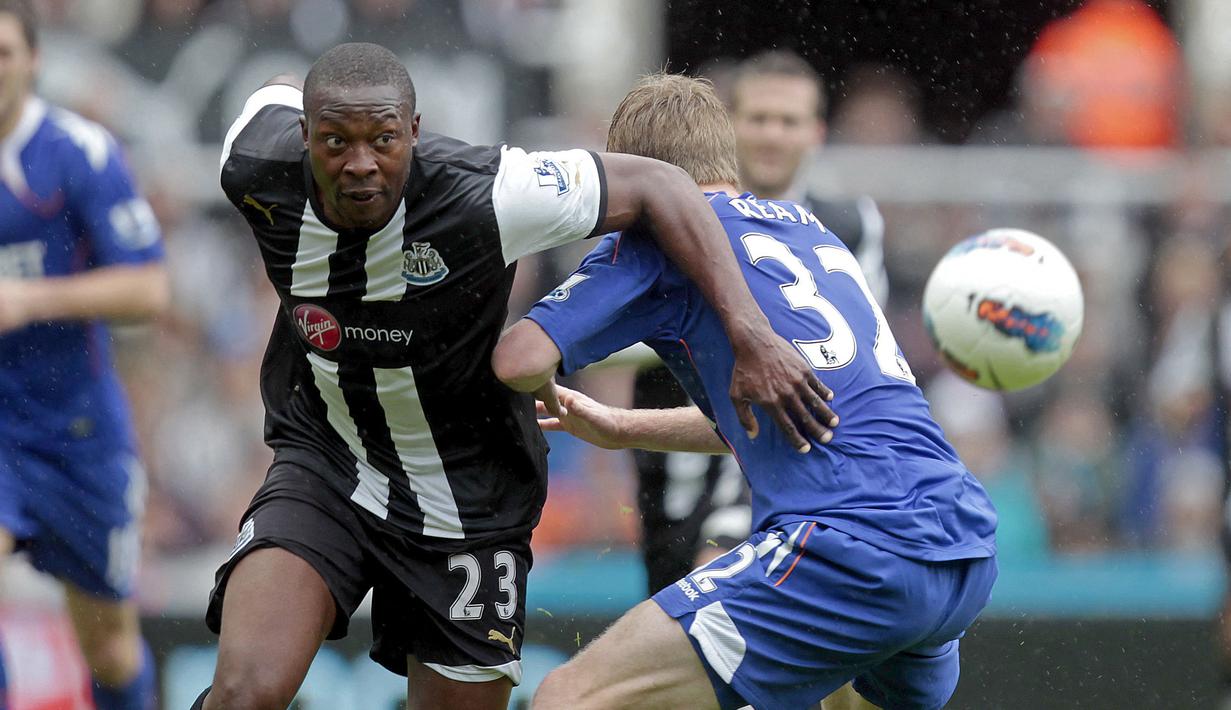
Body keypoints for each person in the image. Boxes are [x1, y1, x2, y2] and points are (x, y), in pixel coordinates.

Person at [196, 43, 837, 710]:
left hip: (471, 498)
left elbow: (662, 183)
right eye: (334, 140)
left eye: (383, 139)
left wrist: (750, 333)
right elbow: (273, 86)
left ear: (413, 132)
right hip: (328, 466)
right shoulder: (255, 163)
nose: (360, 163)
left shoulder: (492, 191)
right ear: (303, 135)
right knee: (246, 692)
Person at [492, 72, 998, 709]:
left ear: (633, 177)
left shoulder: (656, 244)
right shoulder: (812, 231)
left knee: (569, 697)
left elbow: (519, 360)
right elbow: (803, 413)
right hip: (958, 542)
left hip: (847, 548)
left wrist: (543, 384)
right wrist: (624, 426)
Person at [632, 49, 889, 595]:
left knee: (749, 628)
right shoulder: (676, 215)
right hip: (676, 452)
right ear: (728, 126)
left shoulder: (851, 224)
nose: (773, 135)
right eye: (759, 118)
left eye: (789, 121)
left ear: (816, 132)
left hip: (790, 457)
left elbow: (858, 362)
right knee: (676, 605)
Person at [0, 2, 167, 709]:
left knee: (110, 649)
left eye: (1, 53)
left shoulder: (79, 153)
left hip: (77, 434)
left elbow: (150, 287)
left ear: (34, 59)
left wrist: (29, 300)